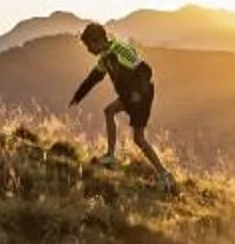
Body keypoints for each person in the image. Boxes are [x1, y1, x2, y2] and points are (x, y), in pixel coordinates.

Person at [68, 22, 175, 186]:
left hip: (142, 96)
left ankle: (164, 174)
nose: (89, 50)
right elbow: (93, 78)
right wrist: (77, 97)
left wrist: (138, 94)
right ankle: (110, 156)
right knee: (109, 112)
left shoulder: (120, 49)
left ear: (99, 41)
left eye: (89, 46)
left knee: (139, 139)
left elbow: (146, 70)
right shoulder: (105, 57)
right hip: (128, 96)